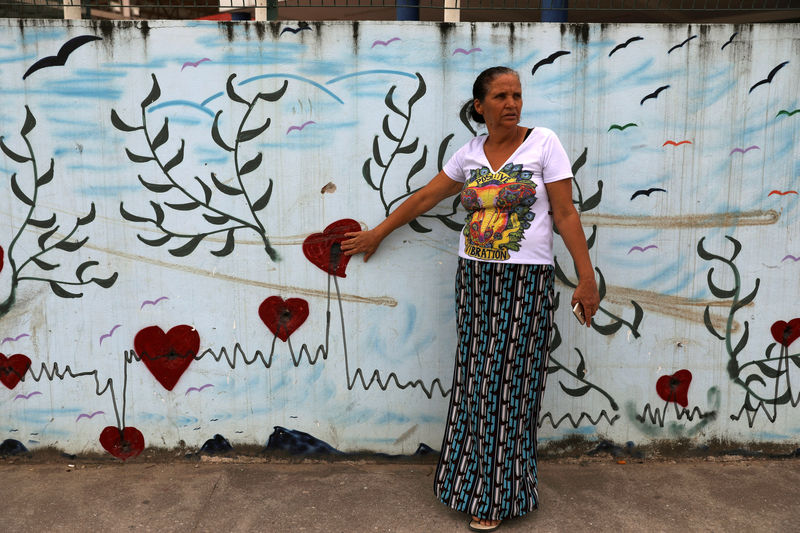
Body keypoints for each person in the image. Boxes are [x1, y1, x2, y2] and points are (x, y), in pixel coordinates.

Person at [341, 66, 599, 531]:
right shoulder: (469, 153)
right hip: (475, 279)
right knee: (476, 381)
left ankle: (499, 493)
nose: (512, 103)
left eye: (517, 94)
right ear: (479, 106)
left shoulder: (544, 143)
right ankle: (467, 484)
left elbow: (564, 212)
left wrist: (587, 277)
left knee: (513, 386)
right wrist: (378, 232)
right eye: (500, 95)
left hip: (526, 283)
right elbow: (423, 199)